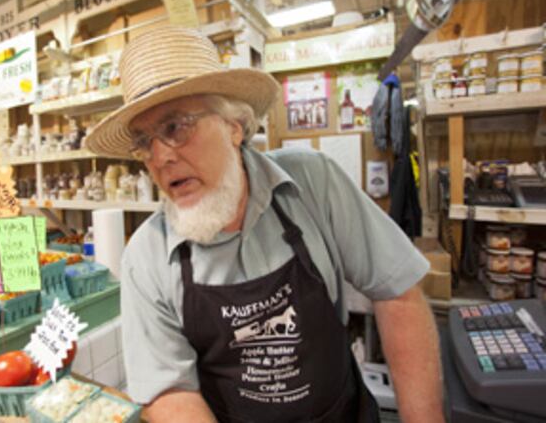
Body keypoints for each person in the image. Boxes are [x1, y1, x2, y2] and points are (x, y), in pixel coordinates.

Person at [84, 27, 443, 423]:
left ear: (233, 126)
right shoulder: (146, 257)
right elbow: (169, 393)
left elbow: (397, 294)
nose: (159, 158)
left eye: (174, 128)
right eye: (144, 142)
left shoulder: (312, 184)